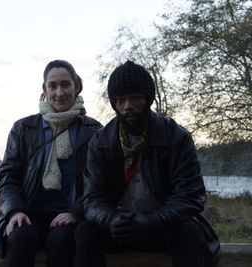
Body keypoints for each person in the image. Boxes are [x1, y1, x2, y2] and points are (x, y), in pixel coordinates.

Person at [75, 61, 220, 267]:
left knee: (190, 231)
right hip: (119, 228)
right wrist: (111, 221)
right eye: (121, 100)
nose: (128, 106)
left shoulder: (176, 137)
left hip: (163, 225)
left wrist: (151, 222)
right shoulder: (100, 142)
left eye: (135, 98)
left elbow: (190, 197)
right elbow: (93, 199)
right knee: (84, 232)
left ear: (148, 99)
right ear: (114, 103)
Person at [0, 59, 102, 267]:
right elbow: (9, 178)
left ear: (76, 87)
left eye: (66, 84)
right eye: (53, 86)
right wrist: (15, 211)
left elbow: (99, 182)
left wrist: (76, 212)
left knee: (60, 242)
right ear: (44, 89)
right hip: (29, 212)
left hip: (69, 214)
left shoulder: (94, 130)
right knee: (20, 238)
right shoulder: (23, 128)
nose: (59, 92)